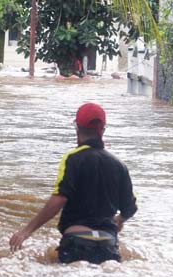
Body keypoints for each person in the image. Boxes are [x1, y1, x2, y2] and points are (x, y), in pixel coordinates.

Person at [9, 103, 137, 264]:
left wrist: (26, 231)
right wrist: (119, 220)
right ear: (103, 130)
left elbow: (59, 200)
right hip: (108, 245)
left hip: (77, 243)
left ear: (76, 127)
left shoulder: (73, 159)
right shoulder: (119, 165)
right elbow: (130, 207)